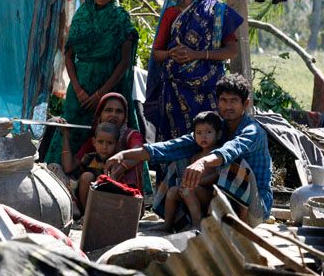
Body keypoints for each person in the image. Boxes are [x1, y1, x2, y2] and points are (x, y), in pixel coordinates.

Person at [108, 74, 273, 227]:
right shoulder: (216, 128)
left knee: (234, 165)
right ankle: (189, 222)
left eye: (233, 101)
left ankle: (237, 228)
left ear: (245, 103)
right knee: (179, 158)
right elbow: (173, 147)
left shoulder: (253, 131)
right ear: (217, 102)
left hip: (254, 209)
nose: (228, 106)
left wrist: (202, 162)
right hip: (221, 204)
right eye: (223, 100)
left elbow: (231, 149)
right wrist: (123, 155)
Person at [44, 0, 138, 164]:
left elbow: (125, 62)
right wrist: (78, 89)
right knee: (70, 131)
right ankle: (63, 174)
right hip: (80, 88)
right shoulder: (82, 15)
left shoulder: (120, 18)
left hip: (110, 88)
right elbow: (69, 55)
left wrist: (100, 95)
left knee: (107, 136)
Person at [144, 0, 243, 143]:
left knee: (208, 138)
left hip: (208, 90)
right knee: (175, 141)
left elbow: (231, 51)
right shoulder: (171, 14)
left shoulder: (217, 12)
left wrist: (197, 54)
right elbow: (157, 53)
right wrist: (171, 53)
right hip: (174, 91)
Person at [118, 111, 223, 231]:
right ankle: (167, 224)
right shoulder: (195, 155)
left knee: (188, 190)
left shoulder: (217, 154)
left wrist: (199, 182)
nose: (203, 136)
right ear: (194, 136)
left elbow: (217, 175)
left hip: (208, 195)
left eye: (208, 132)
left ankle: (196, 224)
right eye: (199, 133)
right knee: (173, 191)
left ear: (218, 134)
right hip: (192, 190)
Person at [75, 93, 145, 193]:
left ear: (125, 116)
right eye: (108, 110)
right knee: (87, 177)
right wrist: (65, 134)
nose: (113, 115)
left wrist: (118, 171)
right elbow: (74, 164)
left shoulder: (131, 135)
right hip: (94, 188)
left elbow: (140, 153)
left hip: (124, 191)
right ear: (100, 114)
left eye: (119, 111)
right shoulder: (96, 136)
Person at [60, 122, 120, 209]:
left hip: (107, 199)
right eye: (100, 142)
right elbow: (76, 173)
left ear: (117, 145)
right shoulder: (88, 157)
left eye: (109, 143)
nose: (104, 147)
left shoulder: (116, 160)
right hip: (86, 194)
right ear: (94, 142)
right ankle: (86, 212)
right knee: (86, 176)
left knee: (102, 178)